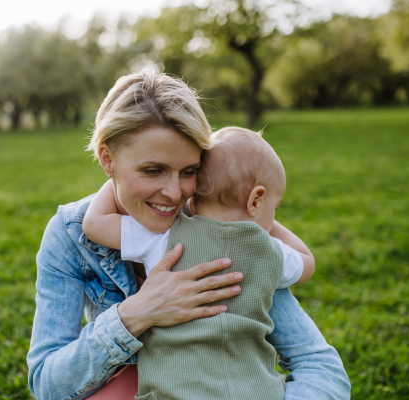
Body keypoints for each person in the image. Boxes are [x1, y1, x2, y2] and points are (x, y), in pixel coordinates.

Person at [26, 70, 351, 400]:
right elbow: (48, 386)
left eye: (189, 172)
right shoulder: (70, 235)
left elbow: (319, 366)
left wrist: (252, 224)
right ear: (107, 160)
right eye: (153, 170)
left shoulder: (223, 237)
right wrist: (138, 313)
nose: (173, 193)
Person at [82, 126, 316, 400]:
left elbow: (94, 224)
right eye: (275, 207)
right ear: (256, 199)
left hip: (173, 391)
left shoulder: (164, 238)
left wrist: (120, 174)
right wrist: (262, 222)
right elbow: (307, 262)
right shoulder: (271, 251)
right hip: (257, 391)